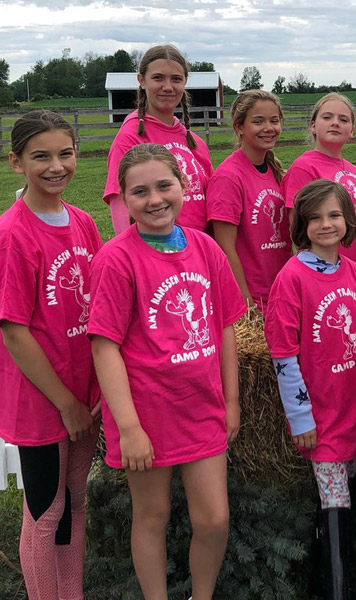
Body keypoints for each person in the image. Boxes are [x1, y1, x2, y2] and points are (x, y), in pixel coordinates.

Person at [89, 143, 245, 600]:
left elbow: (226, 327)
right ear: (122, 198)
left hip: (202, 407)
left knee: (214, 518)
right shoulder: (117, 259)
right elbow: (104, 346)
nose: (155, 199)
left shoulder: (206, 248)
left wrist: (231, 400)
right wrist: (129, 427)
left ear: (183, 185)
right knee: (152, 515)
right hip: (146, 412)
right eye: (140, 192)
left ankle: (202, 595)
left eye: (164, 186)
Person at [0, 110, 102, 600]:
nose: (56, 166)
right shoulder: (13, 234)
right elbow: (14, 332)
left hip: (84, 392)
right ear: (16, 162)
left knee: (74, 504)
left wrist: (94, 391)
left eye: (65, 154)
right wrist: (66, 403)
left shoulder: (83, 221)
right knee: (45, 513)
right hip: (44, 399)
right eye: (41, 156)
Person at [265, 179, 356, 600]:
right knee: (335, 504)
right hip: (322, 419)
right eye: (315, 218)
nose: (326, 224)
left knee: (341, 499)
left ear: (348, 220)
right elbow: (283, 355)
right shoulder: (291, 279)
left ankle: (321, 581)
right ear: (302, 226)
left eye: (334, 215)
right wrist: (301, 419)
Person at [104, 44, 213, 235]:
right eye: (158, 78)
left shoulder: (195, 143)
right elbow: (121, 207)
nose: (168, 87)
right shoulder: (130, 138)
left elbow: (213, 200)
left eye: (176, 79)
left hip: (198, 247)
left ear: (185, 82)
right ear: (141, 80)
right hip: (156, 247)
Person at [282, 92, 356, 292]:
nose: (335, 123)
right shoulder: (304, 167)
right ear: (313, 126)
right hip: (326, 275)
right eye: (327, 117)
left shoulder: (355, 171)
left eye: (343, 119)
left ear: (351, 131)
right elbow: (298, 228)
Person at [207, 90, 291, 311]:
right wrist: (247, 304)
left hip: (282, 293)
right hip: (254, 301)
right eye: (258, 121)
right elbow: (225, 248)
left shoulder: (277, 173)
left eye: (274, 121)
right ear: (239, 127)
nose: (269, 128)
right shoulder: (228, 178)